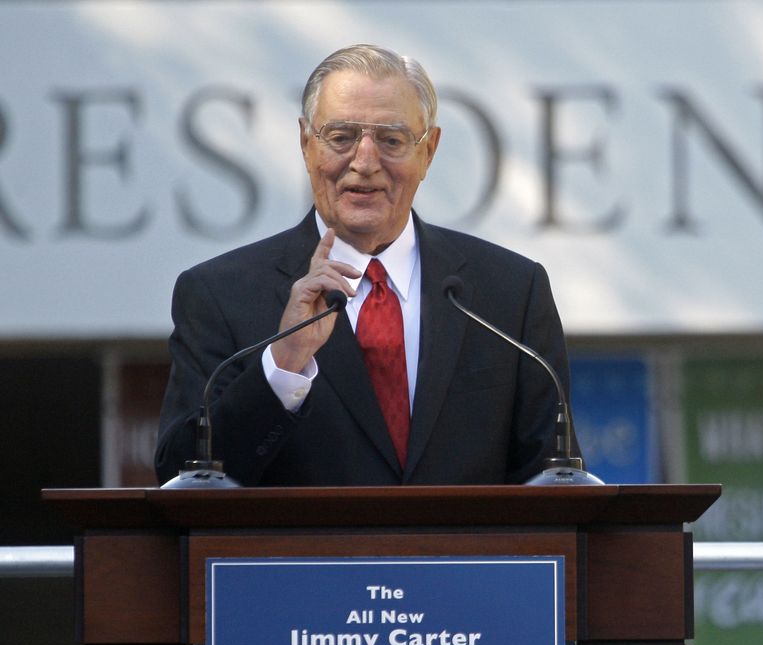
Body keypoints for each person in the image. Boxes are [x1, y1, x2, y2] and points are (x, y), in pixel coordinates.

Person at [155, 44, 571, 486]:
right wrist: (285, 363)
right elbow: (184, 475)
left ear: (428, 151)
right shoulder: (220, 294)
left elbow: (552, 481)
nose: (365, 162)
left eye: (391, 140)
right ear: (305, 143)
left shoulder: (508, 291)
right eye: (341, 137)